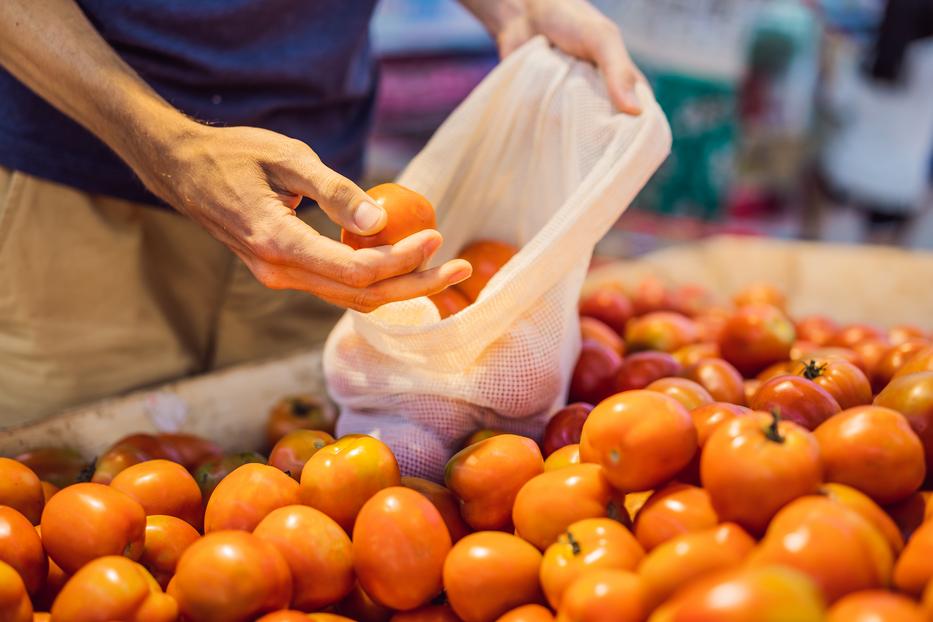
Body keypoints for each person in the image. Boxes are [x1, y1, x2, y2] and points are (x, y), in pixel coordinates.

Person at [0, 0, 645, 426]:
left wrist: (519, 7)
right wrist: (168, 145)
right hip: (72, 192)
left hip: (320, 209)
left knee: (285, 486)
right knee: (58, 488)